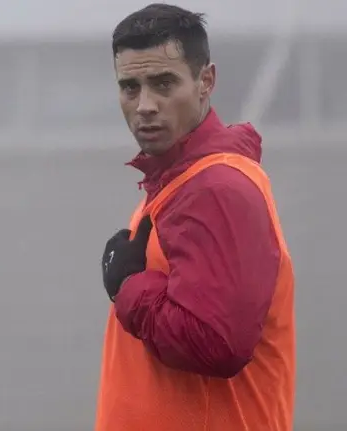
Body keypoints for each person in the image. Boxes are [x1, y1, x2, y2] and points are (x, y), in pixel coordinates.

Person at [95, 4, 295, 431]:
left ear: (206, 81)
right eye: (130, 87)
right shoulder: (178, 182)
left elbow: (215, 343)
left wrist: (129, 288)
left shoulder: (216, 188)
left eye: (163, 83)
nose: (145, 105)